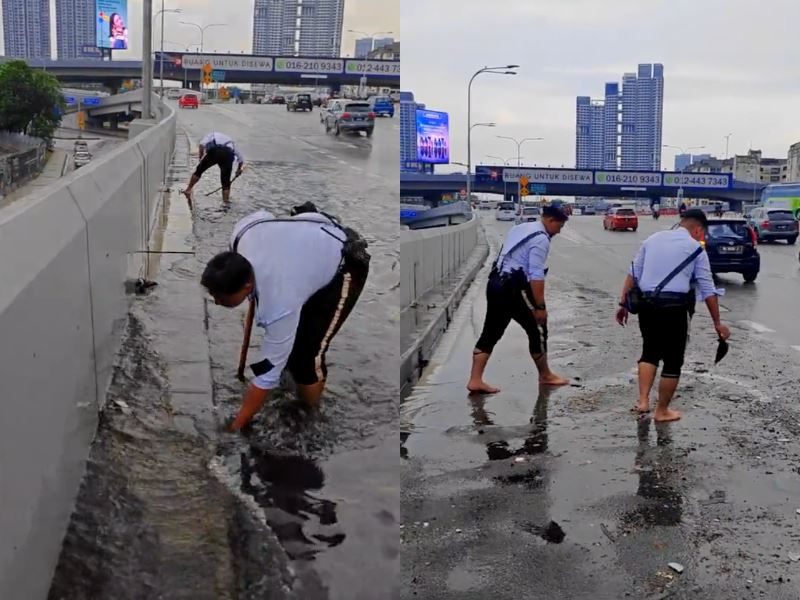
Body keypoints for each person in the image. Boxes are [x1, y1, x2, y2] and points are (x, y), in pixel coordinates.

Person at [201, 204, 369, 432]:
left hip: (344, 261)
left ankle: (309, 416)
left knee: (306, 357)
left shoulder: (279, 303)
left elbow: (266, 376)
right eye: (214, 295)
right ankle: (293, 393)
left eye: (221, 297)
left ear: (247, 285)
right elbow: (264, 216)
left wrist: (236, 426)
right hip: (308, 251)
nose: (216, 302)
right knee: (288, 348)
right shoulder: (241, 234)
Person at [615, 208, 731, 422]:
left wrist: (623, 304)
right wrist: (718, 323)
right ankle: (662, 411)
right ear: (698, 230)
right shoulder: (696, 248)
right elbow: (708, 289)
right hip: (675, 308)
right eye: (703, 233)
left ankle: (643, 401)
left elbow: (633, 274)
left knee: (649, 352)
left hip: (647, 305)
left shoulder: (652, 239)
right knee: (673, 360)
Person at [467, 205, 570, 394]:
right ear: (550, 221)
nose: (559, 231)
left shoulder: (520, 228)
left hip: (495, 283)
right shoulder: (541, 239)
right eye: (559, 226)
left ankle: (475, 380)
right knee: (538, 328)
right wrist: (540, 306)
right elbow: (536, 275)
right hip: (514, 288)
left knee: (491, 331)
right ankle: (545, 375)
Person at [182, 132, 245, 205]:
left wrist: (200, 157)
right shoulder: (231, 143)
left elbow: (201, 145)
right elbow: (241, 159)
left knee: (199, 170)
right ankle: (226, 202)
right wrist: (238, 170)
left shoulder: (210, 135)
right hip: (228, 154)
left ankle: (188, 190)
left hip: (216, 151)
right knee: (226, 181)